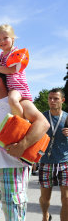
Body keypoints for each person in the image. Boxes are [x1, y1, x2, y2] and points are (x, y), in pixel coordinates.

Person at [0, 70, 49, 220]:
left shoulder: (20, 103)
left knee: (14, 217)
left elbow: (43, 123)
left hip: (12, 168)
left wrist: (22, 145)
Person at [39, 88, 68, 221]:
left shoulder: (67, 117)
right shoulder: (41, 116)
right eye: (50, 98)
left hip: (65, 162)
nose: (52, 101)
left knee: (66, 199)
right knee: (45, 199)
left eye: (55, 98)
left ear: (62, 100)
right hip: (46, 161)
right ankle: (45, 215)